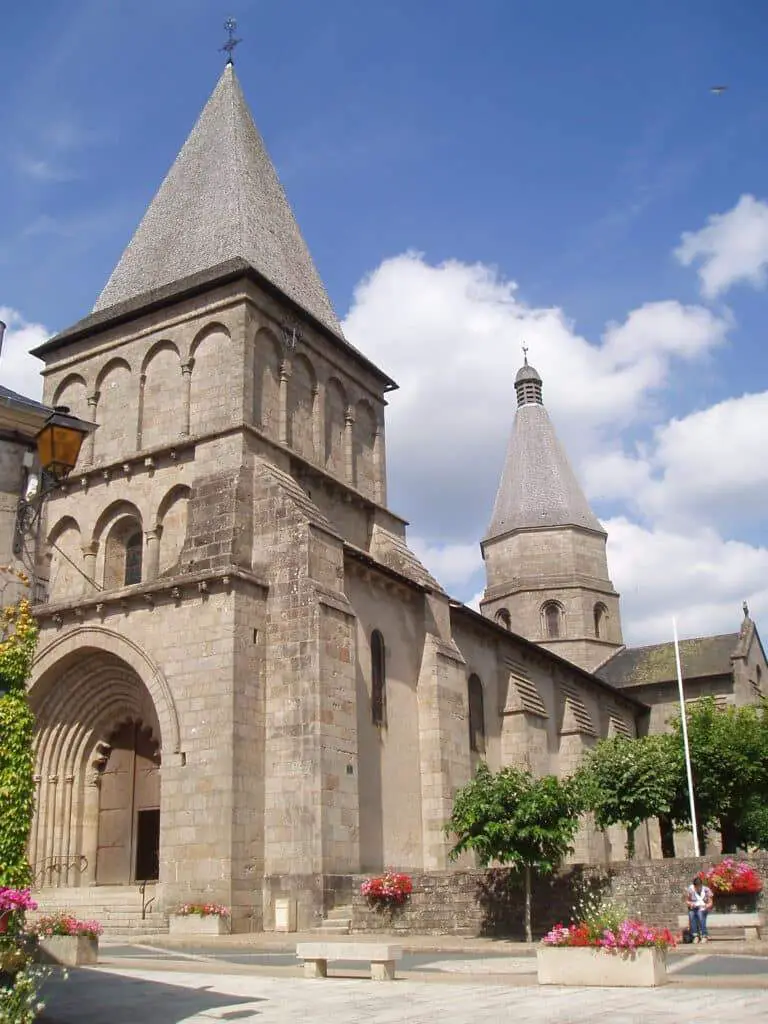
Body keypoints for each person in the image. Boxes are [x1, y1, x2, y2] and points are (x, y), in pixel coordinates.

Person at [686, 876, 713, 942]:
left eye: (699, 886)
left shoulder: (706, 890)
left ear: (701, 885)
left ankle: (704, 935)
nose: (698, 888)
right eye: (696, 887)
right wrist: (691, 904)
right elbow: (687, 901)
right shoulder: (690, 889)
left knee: (700, 914)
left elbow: (710, 903)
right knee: (691, 914)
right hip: (694, 907)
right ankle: (695, 935)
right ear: (694, 886)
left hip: (703, 908)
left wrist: (706, 906)